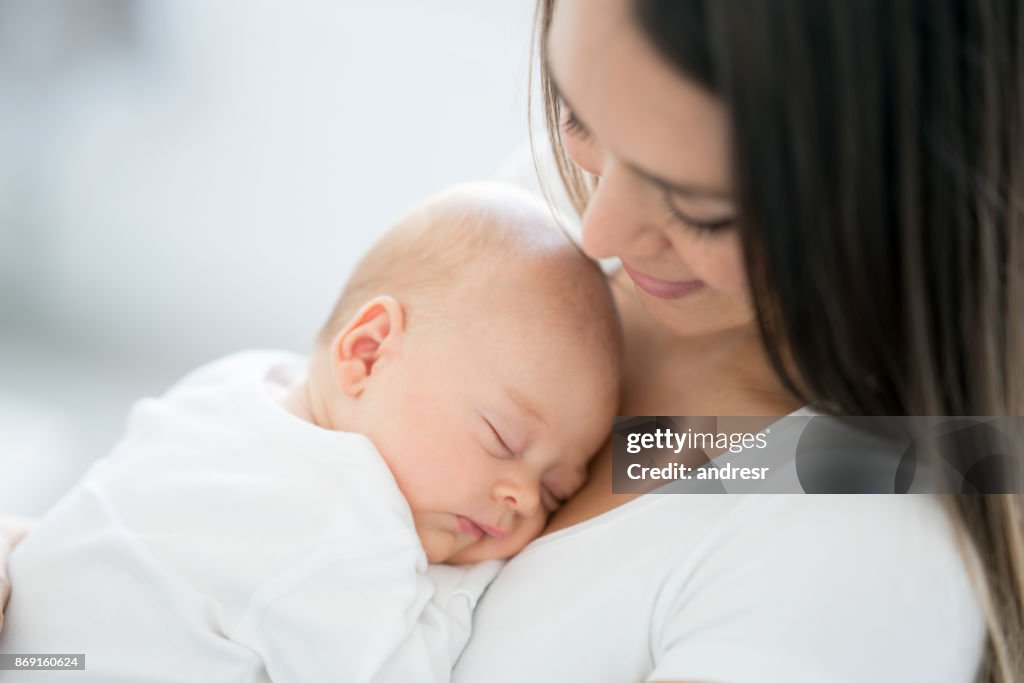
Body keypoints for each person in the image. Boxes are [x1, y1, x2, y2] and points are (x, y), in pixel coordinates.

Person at [2, 0, 1022, 681]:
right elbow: (293, 470)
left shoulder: (854, 539)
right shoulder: (547, 218)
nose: (602, 234)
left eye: (698, 208)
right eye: (578, 114)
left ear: (896, 199)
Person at [0, 183, 622, 682]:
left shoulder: (239, 382)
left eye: (556, 491)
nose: (523, 498)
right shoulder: (348, 533)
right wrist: (462, 587)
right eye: (502, 441)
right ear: (370, 352)